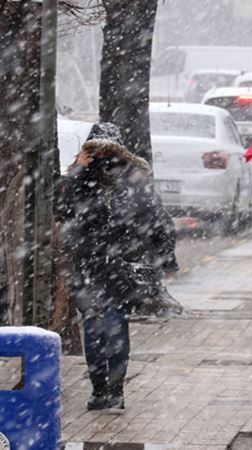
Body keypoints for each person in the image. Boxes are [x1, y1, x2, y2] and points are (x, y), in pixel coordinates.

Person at [58, 123, 179, 411]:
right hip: (96, 267)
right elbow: (62, 209)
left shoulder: (127, 181)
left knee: (107, 326)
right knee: (102, 327)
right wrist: (77, 171)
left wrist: (167, 259)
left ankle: (110, 390)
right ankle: (105, 389)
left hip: (113, 268)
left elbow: (155, 220)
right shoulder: (85, 182)